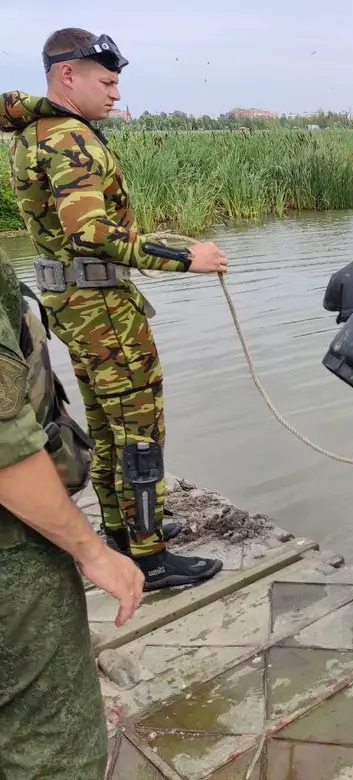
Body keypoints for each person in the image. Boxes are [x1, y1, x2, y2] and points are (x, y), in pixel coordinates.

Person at [2, 28, 227, 590]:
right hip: (99, 307)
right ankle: (148, 557)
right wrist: (186, 256)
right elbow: (90, 233)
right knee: (140, 426)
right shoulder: (69, 137)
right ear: (67, 75)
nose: (116, 94)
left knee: (108, 423)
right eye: (106, 81)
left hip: (73, 303)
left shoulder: (35, 131)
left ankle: (122, 529)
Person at [0, 255, 145, 780]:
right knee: (55, 751)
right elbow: (5, 450)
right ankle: (141, 539)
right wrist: (90, 550)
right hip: (13, 556)